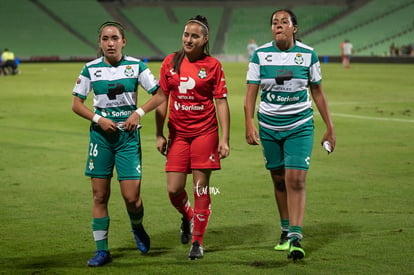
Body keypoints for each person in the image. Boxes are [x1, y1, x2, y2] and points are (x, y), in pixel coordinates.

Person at [71, 21, 167, 267]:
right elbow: (77, 103)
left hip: (127, 138)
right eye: (105, 38)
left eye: (114, 38)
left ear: (124, 41)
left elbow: (160, 94)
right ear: (100, 42)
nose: (110, 43)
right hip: (101, 138)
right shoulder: (90, 69)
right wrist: (98, 118)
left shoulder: (136, 66)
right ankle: (102, 250)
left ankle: (137, 227)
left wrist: (138, 113)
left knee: (132, 197)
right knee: (99, 196)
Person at [244, 9, 336, 261]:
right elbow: (251, 93)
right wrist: (249, 123)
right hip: (269, 125)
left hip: (300, 125)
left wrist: (329, 126)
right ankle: (285, 229)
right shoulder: (260, 55)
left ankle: (295, 236)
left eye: (284, 22)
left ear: (294, 27)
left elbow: (317, 91)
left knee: (295, 179)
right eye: (275, 22)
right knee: (278, 178)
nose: (279, 25)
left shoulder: (308, 54)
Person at [155, 15, 230, 260]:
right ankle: (187, 216)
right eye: (186, 34)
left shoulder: (213, 65)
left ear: (204, 39)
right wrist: (159, 134)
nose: (188, 39)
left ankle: (197, 242)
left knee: (200, 187)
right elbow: (161, 99)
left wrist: (224, 138)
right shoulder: (170, 62)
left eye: (194, 36)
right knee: (174, 189)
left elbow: (221, 102)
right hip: (177, 134)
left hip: (205, 133)